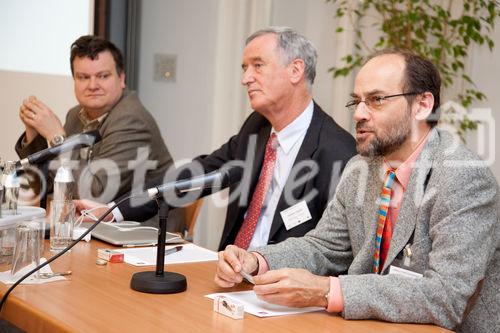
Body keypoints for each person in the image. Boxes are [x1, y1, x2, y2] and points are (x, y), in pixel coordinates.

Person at [214, 49, 499, 333]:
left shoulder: (463, 176)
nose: (359, 114)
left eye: (376, 100)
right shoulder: (360, 167)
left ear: (422, 105)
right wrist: (257, 260)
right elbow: (324, 247)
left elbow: (445, 298)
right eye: (357, 101)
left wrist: (327, 291)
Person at [76, 27, 357, 250]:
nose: (246, 78)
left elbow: (332, 249)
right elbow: (199, 172)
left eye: (257, 66)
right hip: (229, 274)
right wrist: (116, 211)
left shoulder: (338, 151)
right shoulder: (257, 128)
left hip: (284, 293)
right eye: (244, 68)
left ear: (296, 70)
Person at [15, 35, 173, 206]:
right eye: (83, 77)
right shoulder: (76, 115)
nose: (92, 85)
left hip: (141, 226)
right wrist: (33, 134)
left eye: (103, 76)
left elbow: (95, 194)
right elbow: (47, 186)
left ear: (121, 79)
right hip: (94, 222)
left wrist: (57, 137)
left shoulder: (131, 121)